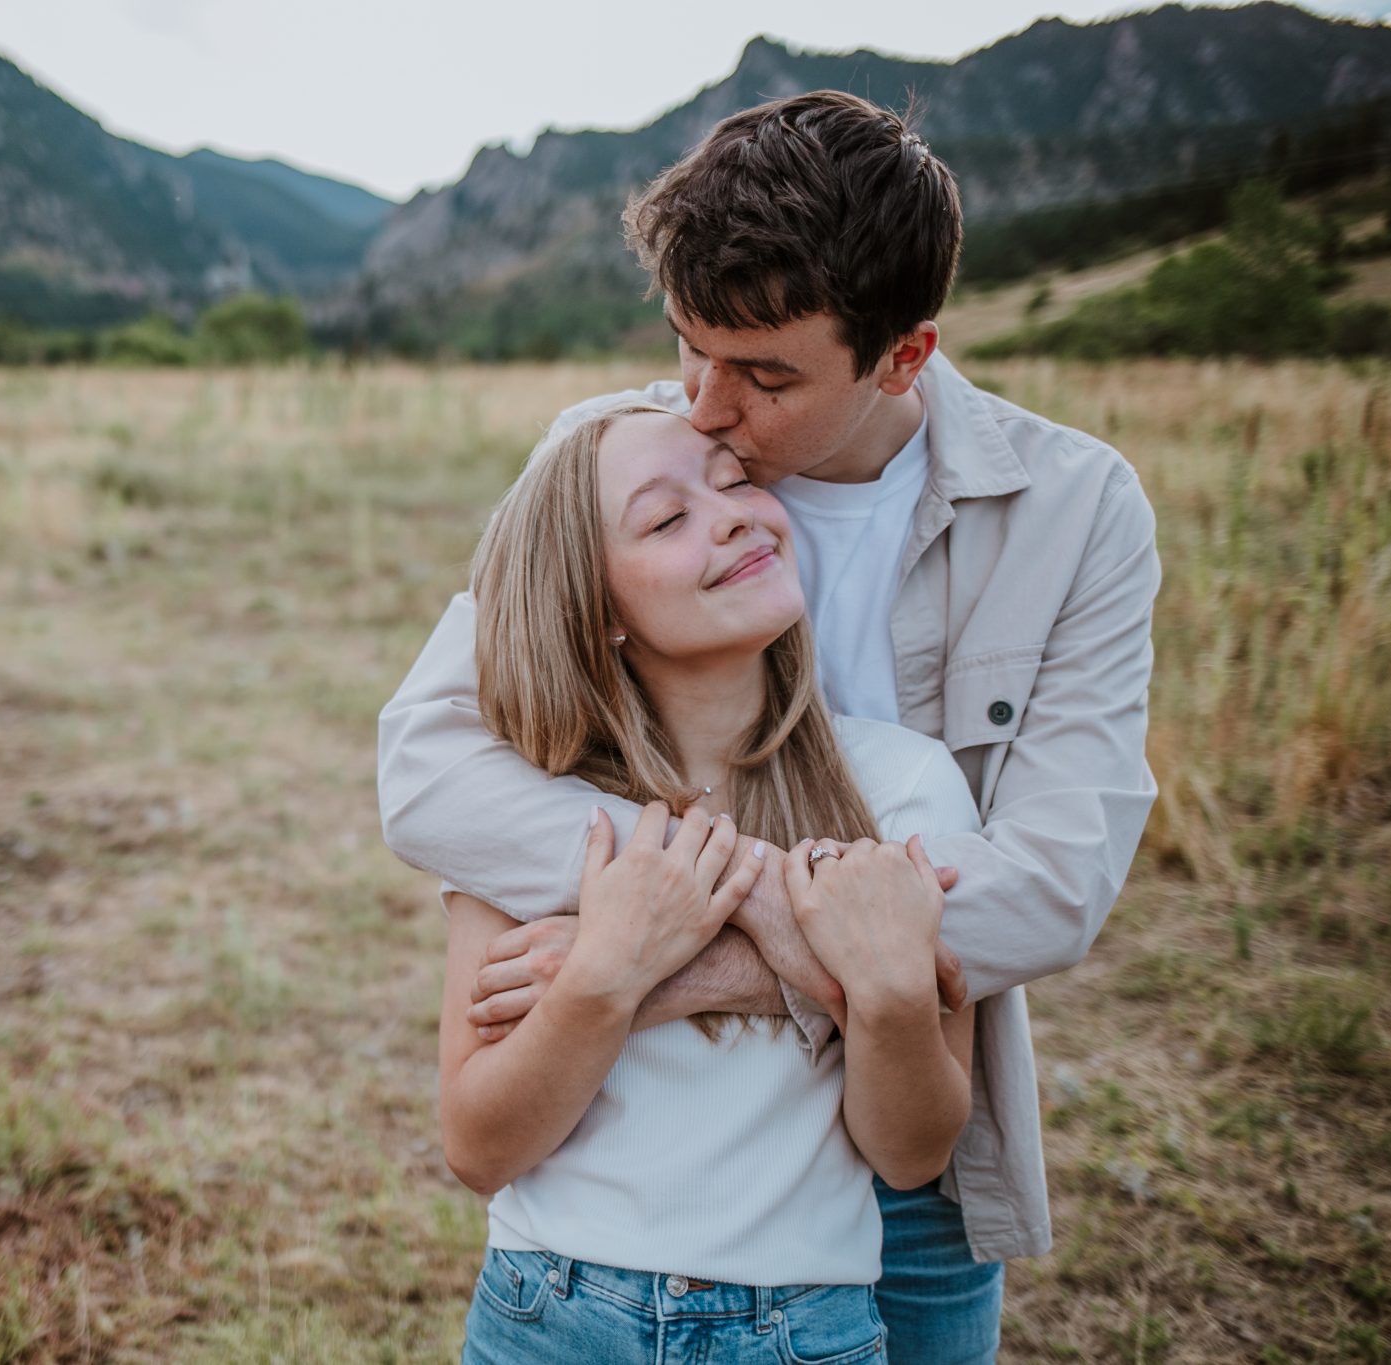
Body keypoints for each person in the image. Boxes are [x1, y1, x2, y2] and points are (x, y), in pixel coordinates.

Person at [380, 91, 1160, 1363]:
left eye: (761, 376)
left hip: (907, 1138)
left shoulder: (1074, 511)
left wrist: (698, 961)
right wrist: (686, 913)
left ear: (900, 357)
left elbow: (1058, 879)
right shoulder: (623, 459)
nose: (701, 406)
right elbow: (426, 768)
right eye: (688, 346)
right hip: (608, 1190)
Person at [440, 401, 977, 1362]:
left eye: (734, 484)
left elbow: (914, 1150)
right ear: (596, 609)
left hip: (801, 1329)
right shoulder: (530, 813)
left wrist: (889, 1000)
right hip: (548, 1312)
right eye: (664, 518)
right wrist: (606, 976)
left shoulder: (902, 787)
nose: (729, 514)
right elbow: (479, 1147)